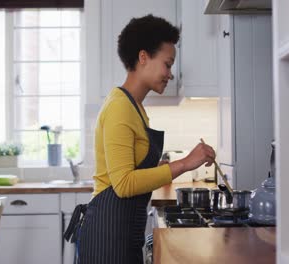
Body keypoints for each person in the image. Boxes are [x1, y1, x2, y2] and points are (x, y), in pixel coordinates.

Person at [64, 14, 216, 264]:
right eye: (167, 64)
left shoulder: (134, 107)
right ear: (143, 57)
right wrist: (186, 163)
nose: (171, 74)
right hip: (107, 238)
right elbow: (123, 183)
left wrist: (171, 167)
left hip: (122, 234)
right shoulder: (119, 108)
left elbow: (134, 173)